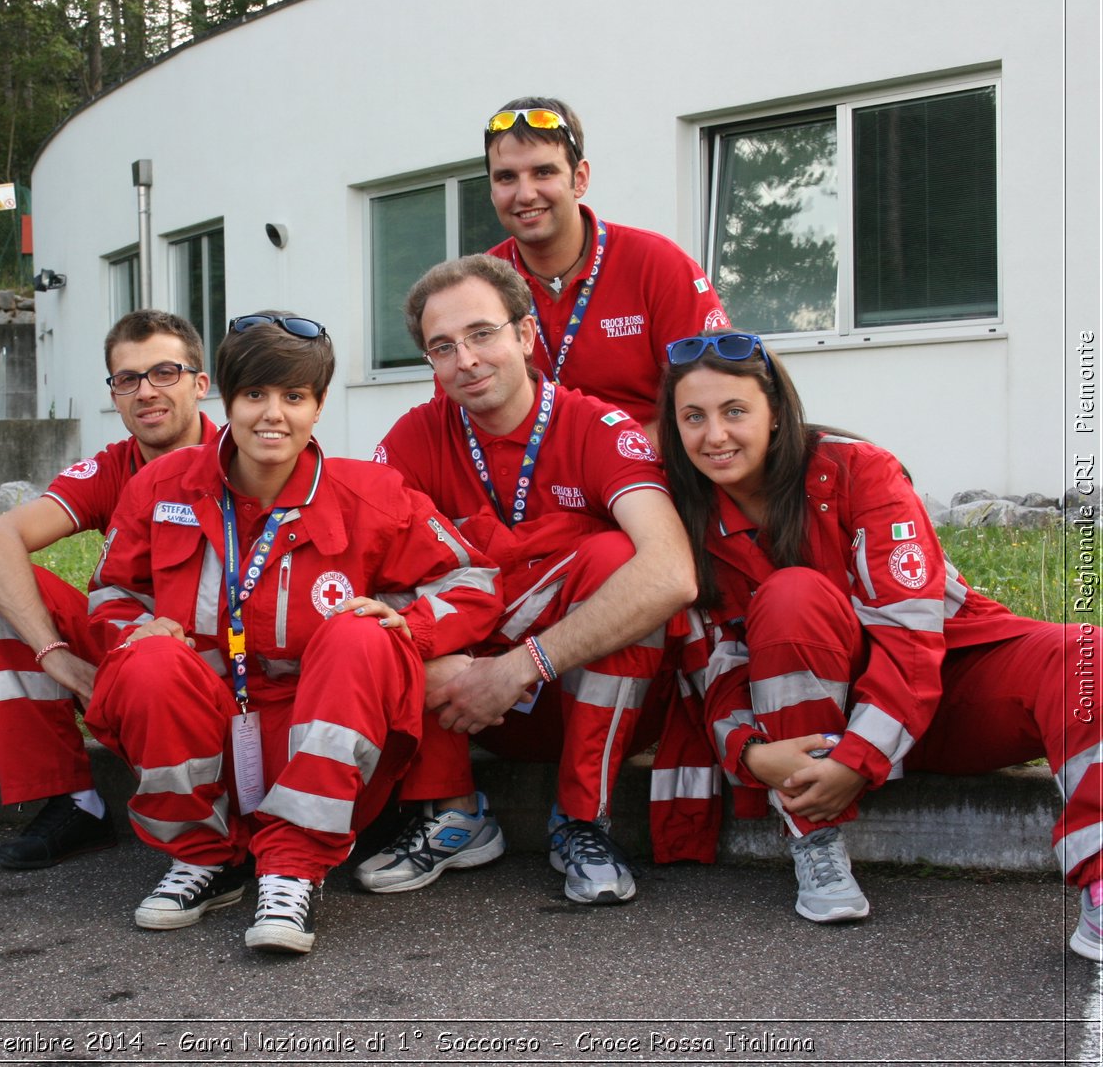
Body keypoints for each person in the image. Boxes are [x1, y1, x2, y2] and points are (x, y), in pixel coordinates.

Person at [657, 330, 1102, 957]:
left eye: (735, 411)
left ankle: (1101, 878)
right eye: (693, 417)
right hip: (819, 732)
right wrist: (754, 756)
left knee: (1087, 655)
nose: (715, 435)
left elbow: (913, 634)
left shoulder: (859, 470)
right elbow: (710, 669)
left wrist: (860, 757)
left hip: (944, 691)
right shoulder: (682, 518)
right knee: (792, 595)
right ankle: (817, 844)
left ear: (777, 413)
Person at [84, 312, 502, 954]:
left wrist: (412, 628)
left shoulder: (372, 494)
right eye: (254, 394)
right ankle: (204, 860)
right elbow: (112, 592)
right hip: (207, 722)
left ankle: (294, 870)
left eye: (293, 396)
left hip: (318, 734)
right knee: (147, 660)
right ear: (225, 399)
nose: (271, 414)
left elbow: (474, 581)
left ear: (319, 405)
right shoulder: (160, 487)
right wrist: (139, 628)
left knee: (360, 634)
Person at [359, 255, 695, 904]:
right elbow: (356, 571)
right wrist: (414, 654)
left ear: (525, 335)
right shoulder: (414, 436)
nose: (467, 360)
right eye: (443, 347)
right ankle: (452, 812)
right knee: (391, 594)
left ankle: (582, 821)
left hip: (586, 696)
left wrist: (520, 667)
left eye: (482, 333)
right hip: (467, 705)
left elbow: (672, 571)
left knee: (618, 562)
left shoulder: (597, 427)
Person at [0, 310, 217, 870]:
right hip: (133, 643)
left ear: (201, 384)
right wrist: (59, 660)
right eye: (127, 379)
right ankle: (72, 803)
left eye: (164, 373)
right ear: (114, 393)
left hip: (222, 655)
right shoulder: (113, 467)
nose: (146, 392)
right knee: (1, 586)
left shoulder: (244, 450)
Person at [484, 95, 729, 434]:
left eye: (543, 172)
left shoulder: (657, 265)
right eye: (507, 177)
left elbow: (717, 400)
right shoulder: (479, 284)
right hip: (525, 481)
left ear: (580, 178)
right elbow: (452, 419)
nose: (525, 194)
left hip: (649, 473)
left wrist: (609, 463)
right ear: (492, 190)